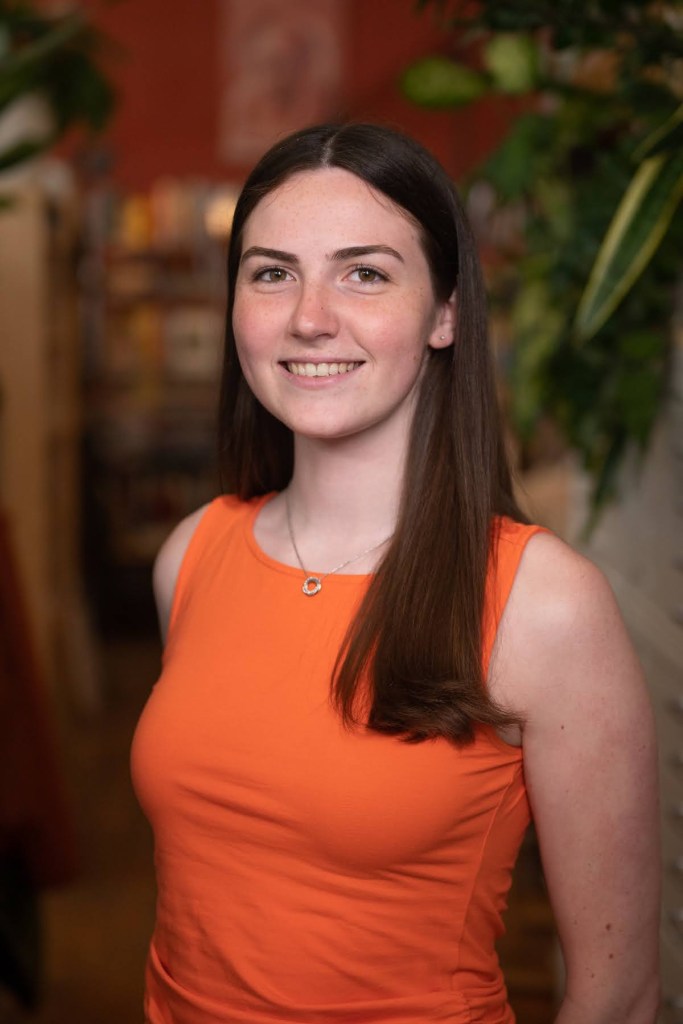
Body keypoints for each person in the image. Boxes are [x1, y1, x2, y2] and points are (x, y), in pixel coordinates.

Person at [131, 123, 660, 1024]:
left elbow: (618, 992)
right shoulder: (192, 554)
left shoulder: (542, 603)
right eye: (271, 272)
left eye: (364, 272)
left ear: (446, 311)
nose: (309, 315)